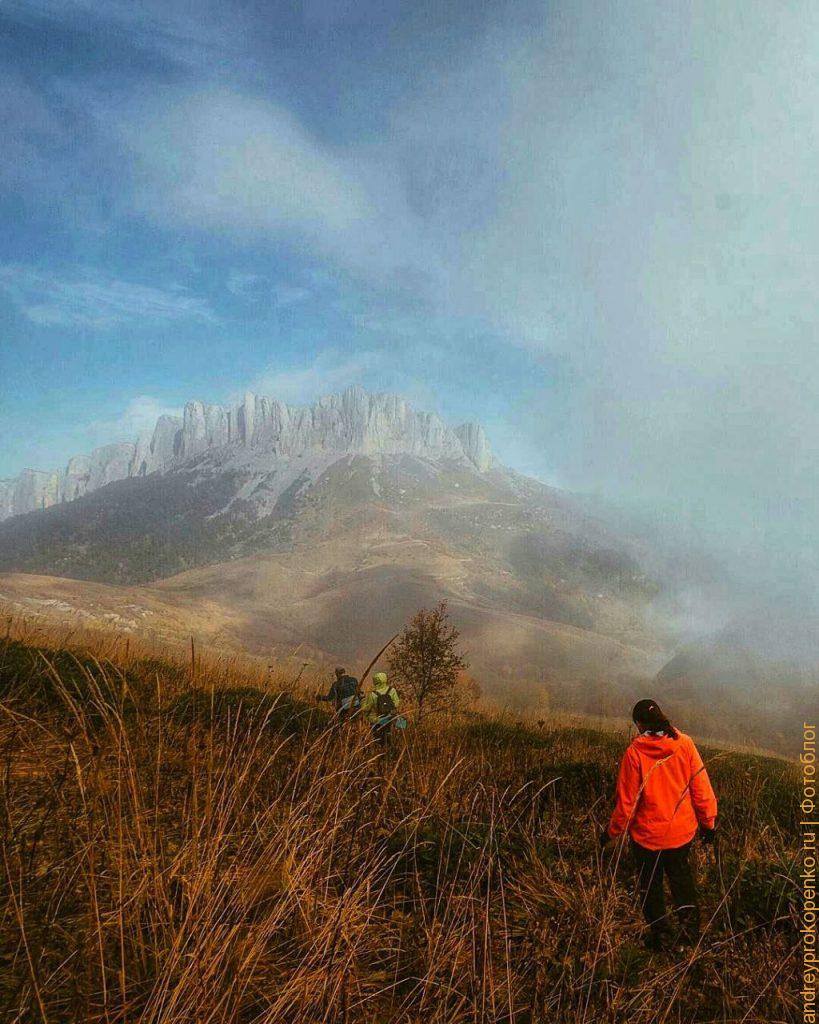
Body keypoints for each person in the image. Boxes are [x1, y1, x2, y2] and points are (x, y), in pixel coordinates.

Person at [600, 698, 718, 952]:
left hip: (647, 838)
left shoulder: (634, 753)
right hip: (680, 834)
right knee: (681, 882)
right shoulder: (684, 744)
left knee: (650, 887)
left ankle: (660, 937)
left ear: (639, 724)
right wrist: (708, 824)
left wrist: (610, 833)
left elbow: (626, 805)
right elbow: (701, 788)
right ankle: (689, 935)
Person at [361, 671, 400, 748]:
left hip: (376, 720)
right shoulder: (392, 690)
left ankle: (379, 748)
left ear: (375, 681)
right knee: (389, 733)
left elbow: (366, 708)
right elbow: (396, 704)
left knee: (377, 737)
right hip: (390, 717)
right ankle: (389, 747)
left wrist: (362, 701)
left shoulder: (372, 694)